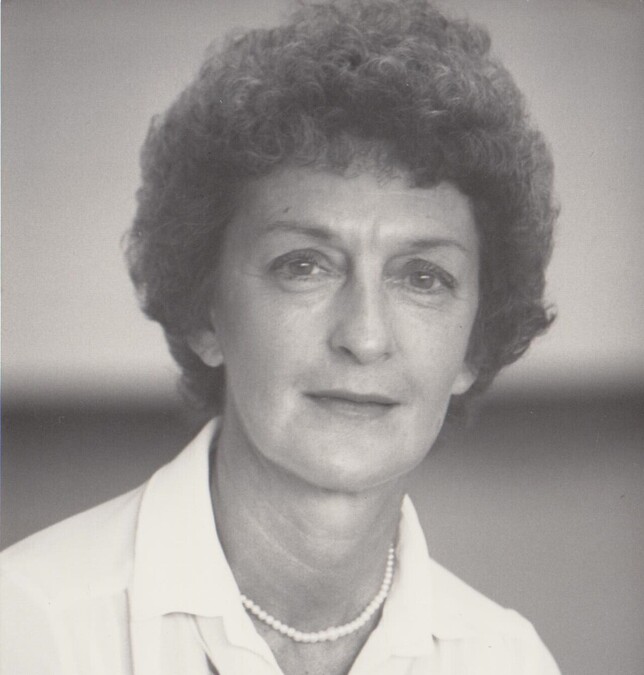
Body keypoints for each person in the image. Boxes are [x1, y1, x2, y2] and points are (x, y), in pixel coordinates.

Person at [0, 1, 560, 673]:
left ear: (474, 342)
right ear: (205, 312)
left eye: (423, 277)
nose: (365, 337)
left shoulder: (507, 658)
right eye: (304, 266)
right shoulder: (32, 630)